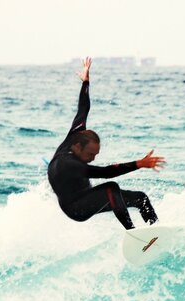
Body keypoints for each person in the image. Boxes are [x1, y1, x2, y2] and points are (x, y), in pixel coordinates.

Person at [47, 57, 165, 230]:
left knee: (141, 198)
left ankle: (156, 233)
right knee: (111, 188)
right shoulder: (66, 164)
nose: (92, 158)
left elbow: (83, 109)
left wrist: (85, 82)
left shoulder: (76, 134)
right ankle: (132, 233)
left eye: (95, 155)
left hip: (89, 195)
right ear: (77, 147)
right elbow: (107, 173)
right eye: (90, 155)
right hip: (76, 208)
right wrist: (139, 164)